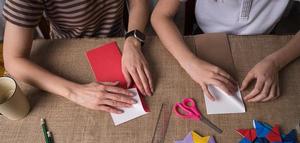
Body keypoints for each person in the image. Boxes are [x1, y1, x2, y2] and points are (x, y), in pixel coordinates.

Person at [3, 0, 153, 114]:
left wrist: (133, 40)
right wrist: (75, 93)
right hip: (67, 52)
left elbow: (138, 2)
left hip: (120, 41)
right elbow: (13, 59)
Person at [151, 0, 300, 102]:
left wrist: (275, 62)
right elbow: (160, 16)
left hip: (264, 39)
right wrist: (190, 63)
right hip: (205, 33)